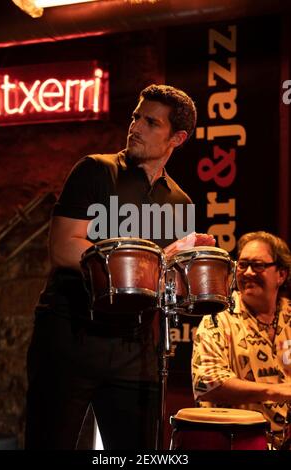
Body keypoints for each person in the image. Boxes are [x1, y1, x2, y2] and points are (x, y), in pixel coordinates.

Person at [25, 84, 215, 450]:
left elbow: (163, 285)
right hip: (71, 335)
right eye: (135, 117)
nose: (136, 127)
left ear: (177, 137)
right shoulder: (95, 170)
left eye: (151, 122)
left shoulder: (180, 201)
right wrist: (151, 260)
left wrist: (183, 263)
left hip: (135, 347)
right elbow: (64, 247)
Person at [192, 231, 291, 448]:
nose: (247, 272)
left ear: (281, 274)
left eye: (257, 265)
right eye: (242, 264)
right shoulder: (218, 316)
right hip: (234, 442)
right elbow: (207, 383)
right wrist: (276, 391)